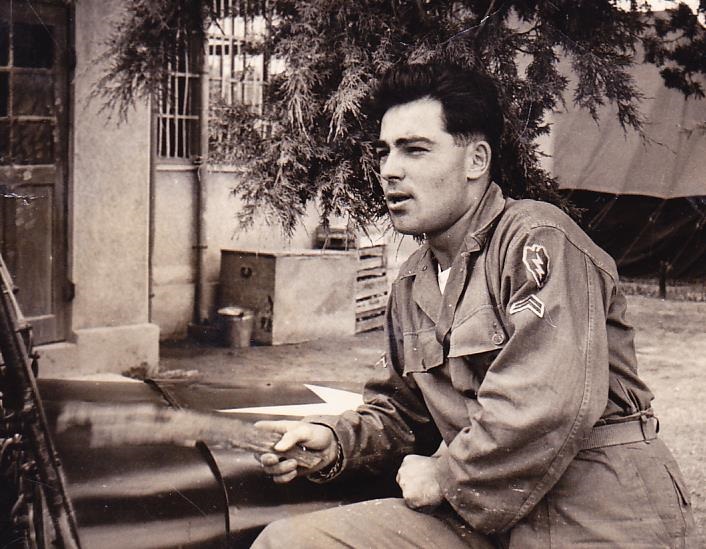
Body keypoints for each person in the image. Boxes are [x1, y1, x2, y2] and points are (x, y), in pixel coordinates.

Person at [252, 61, 696, 547]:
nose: (390, 170)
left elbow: (545, 403)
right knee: (291, 542)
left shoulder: (537, 240)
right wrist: (336, 442)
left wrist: (446, 476)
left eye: (415, 150)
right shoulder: (413, 282)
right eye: (384, 152)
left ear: (476, 160)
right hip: (484, 514)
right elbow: (403, 412)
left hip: (597, 511)